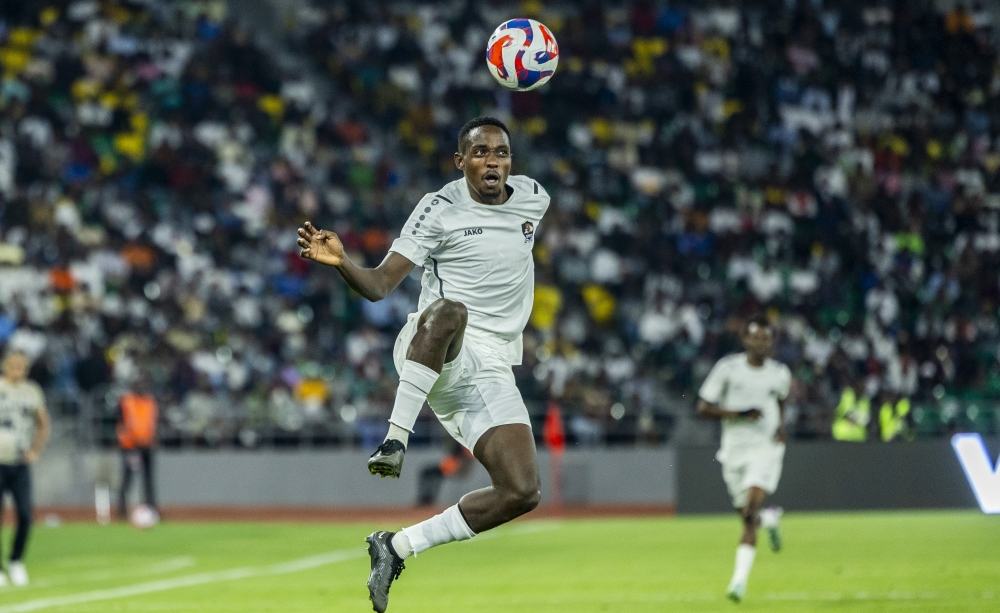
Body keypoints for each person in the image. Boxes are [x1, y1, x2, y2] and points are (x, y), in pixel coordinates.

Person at [297, 116, 549, 613]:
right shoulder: (437, 208)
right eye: (480, 153)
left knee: (522, 491)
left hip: (493, 363)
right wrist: (343, 262)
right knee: (453, 309)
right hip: (432, 342)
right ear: (461, 162)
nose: (492, 161)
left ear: (511, 161)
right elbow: (378, 287)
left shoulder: (534, 198)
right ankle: (396, 439)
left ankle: (396, 546)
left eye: (500, 152)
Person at [696, 316, 792, 603]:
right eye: (756, 338)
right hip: (733, 451)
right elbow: (703, 407)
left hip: (765, 448)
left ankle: (738, 582)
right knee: (747, 516)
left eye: (766, 338)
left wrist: (780, 426)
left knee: (749, 514)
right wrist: (739, 414)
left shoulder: (779, 373)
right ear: (746, 340)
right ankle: (769, 519)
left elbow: (781, 400)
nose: (761, 343)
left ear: (771, 342)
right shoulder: (728, 369)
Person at [0, 350, 50, 587]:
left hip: (20, 462)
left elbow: (43, 422)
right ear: (5, 366)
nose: (18, 371)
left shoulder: (31, 391)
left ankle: (16, 560)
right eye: (14, 366)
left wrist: (36, 450)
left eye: (22, 367)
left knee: (25, 515)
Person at [116, 374, 159, 519]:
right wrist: (130, 440)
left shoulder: (150, 401)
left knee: (148, 480)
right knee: (128, 479)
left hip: (147, 446)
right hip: (131, 447)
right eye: (139, 384)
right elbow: (121, 423)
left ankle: (152, 510)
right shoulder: (126, 401)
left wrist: (153, 439)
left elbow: (153, 422)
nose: (142, 387)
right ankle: (121, 512)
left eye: (144, 384)